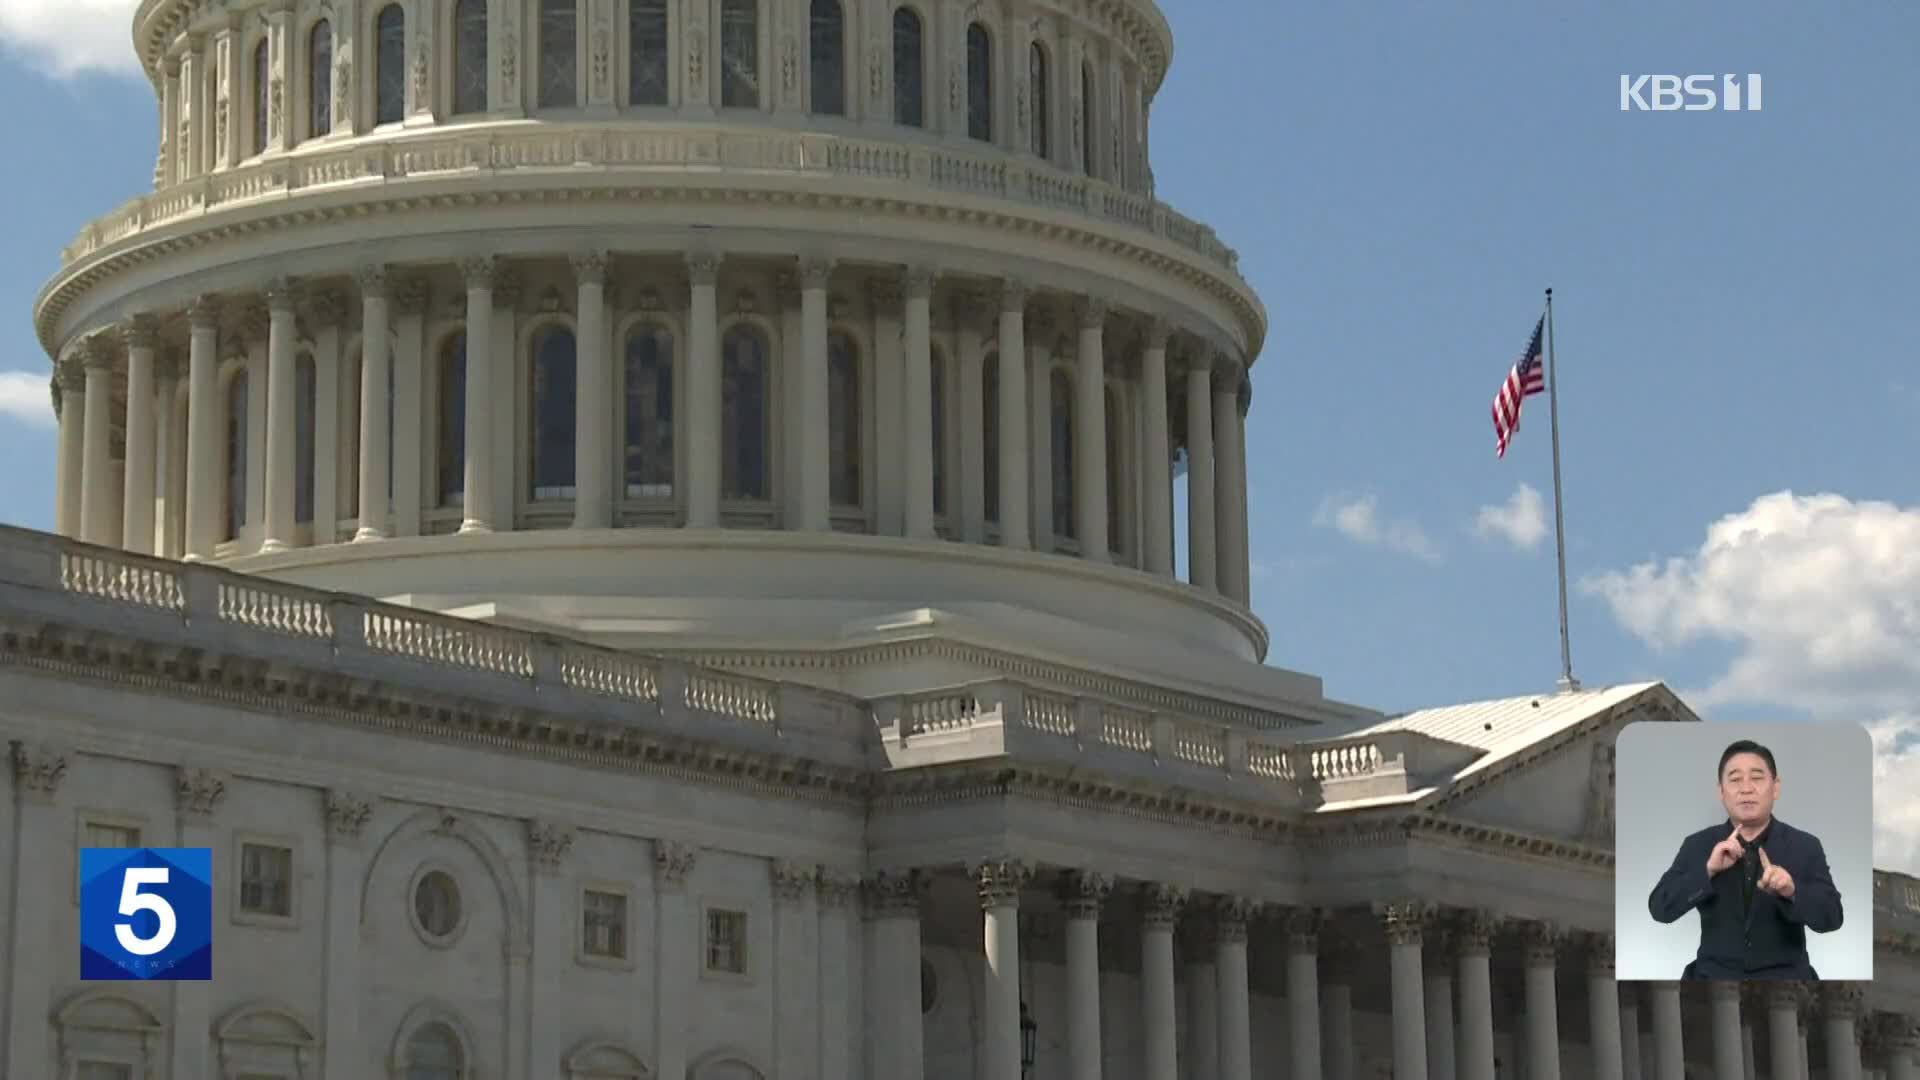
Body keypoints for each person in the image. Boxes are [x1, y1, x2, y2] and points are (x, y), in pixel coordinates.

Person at [1647, 739, 1843, 979]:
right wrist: (1707, 871)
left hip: (1787, 981)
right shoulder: (1698, 844)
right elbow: (1660, 908)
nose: (1746, 788)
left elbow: (1832, 917)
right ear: (1721, 791)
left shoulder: (1804, 846)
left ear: (1776, 787)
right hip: (1712, 979)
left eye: (1757, 778)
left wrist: (1792, 891)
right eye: (1735, 779)